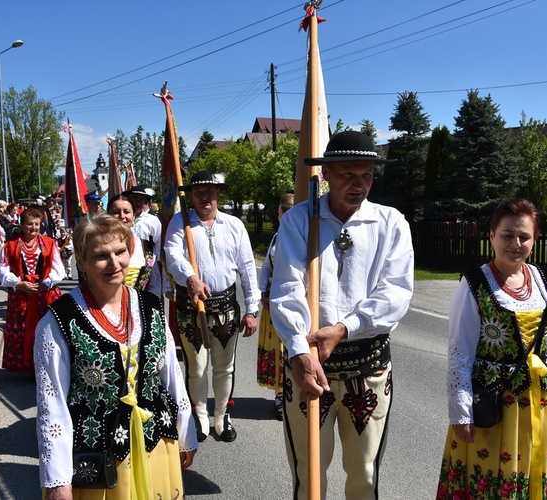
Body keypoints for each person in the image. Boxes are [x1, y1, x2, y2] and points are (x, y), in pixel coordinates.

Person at [269, 131, 414, 499]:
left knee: (364, 474)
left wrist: (343, 329)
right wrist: (299, 351)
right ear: (327, 175)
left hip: (367, 369)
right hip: (307, 365)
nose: (359, 184)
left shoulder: (390, 223)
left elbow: (395, 293)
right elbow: (286, 287)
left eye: (366, 175)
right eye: (349, 174)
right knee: (309, 473)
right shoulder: (299, 221)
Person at [34, 212, 197, 500]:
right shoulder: (57, 322)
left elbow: (170, 376)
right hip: (98, 459)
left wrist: (186, 434)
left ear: (130, 250)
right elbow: (52, 406)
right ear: (81, 262)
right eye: (100, 256)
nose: (114, 263)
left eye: (120, 252)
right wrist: (58, 480)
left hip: (157, 444)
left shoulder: (150, 306)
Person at [436, 198, 547, 499]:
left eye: (524, 236)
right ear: (492, 236)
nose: (516, 243)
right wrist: (461, 412)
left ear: (534, 240)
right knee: (491, 478)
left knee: (535, 470)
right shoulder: (474, 285)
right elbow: (460, 353)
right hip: (492, 403)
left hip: (540, 400)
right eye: (507, 235)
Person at [164, 170, 260, 442]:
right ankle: (200, 416)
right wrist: (190, 278)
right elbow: (172, 256)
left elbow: (247, 267)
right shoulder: (179, 223)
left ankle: (221, 416)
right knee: (196, 367)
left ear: (218, 193)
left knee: (224, 366)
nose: (204, 197)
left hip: (226, 308)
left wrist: (252, 309)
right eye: (198, 192)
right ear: (191, 196)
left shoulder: (234, 225)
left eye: (210, 191)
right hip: (192, 308)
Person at [0, 207, 64, 373]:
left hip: (46, 294)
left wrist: (46, 283)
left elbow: (59, 270)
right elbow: (3, 270)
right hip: (21, 295)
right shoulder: (9, 246)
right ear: (22, 225)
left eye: (37, 224)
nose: (34, 228)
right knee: (22, 330)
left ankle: (47, 366)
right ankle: (27, 367)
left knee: (46, 330)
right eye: (30, 224)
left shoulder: (49, 243)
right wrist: (19, 284)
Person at [257, 193, 294, 420]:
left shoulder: (300, 237)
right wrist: (263, 292)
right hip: (273, 302)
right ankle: (281, 396)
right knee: (278, 350)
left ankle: (291, 392)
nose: (279, 216)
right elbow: (267, 268)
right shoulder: (278, 237)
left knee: (289, 347)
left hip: (291, 303)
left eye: (280, 212)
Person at [106, 194, 160, 297]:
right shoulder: (99, 247)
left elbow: (154, 285)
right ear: (108, 216)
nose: (122, 216)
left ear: (133, 216)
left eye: (126, 212)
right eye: (116, 212)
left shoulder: (147, 247)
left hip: (139, 308)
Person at [125, 185, 165, 296]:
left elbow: (159, 244)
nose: (137, 202)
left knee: (150, 296)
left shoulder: (152, 220)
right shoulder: (122, 218)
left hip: (148, 265)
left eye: (141, 199)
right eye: (134, 198)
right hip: (126, 265)